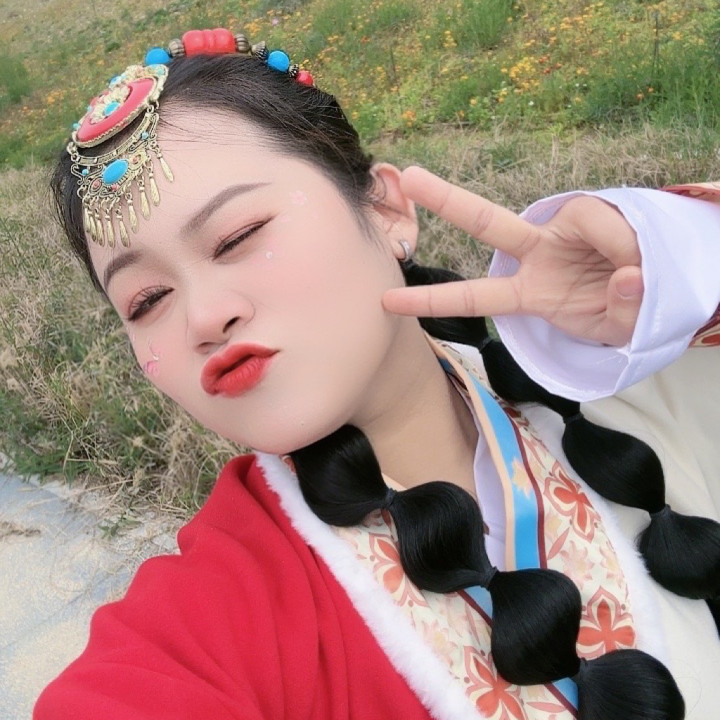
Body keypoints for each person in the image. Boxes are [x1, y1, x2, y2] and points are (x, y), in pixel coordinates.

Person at [36, 26, 720, 720]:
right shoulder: (221, 610)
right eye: (146, 301)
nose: (203, 318)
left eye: (237, 237)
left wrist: (677, 265)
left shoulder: (618, 379)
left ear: (387, 210)